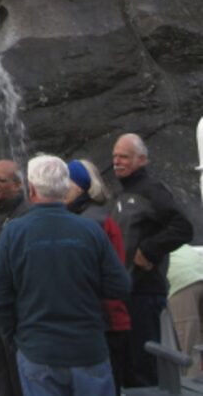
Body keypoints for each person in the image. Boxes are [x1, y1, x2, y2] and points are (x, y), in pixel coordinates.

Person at [0, 154, 130, 396]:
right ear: (65, 189)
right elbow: (120, 286)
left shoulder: (13, 234)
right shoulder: (90, 231)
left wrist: (17, 339)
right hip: (88, 350)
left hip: (37, 352)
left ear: (31, 189)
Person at [108, 132, 193, 387]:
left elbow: (182, 227)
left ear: (142, 159)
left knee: (144, 367)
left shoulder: (152, 190)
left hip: (144, 292)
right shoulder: (120, 194)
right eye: (114, 156)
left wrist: (149, 250)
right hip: (125, 292)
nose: (117, 161)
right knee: (127, 367)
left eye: (124, 156)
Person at [66, 159, 132, 395]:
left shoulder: (92, 222)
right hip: (102, 320)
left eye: (67, 182)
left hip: (105, 322)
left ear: (81, 187)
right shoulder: (97, 218)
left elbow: (112, 277)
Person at [0, 159, 30, 396]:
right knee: (1, 378)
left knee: (18, 377)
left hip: (14, 314)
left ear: (18, 184)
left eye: (0, 180)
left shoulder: (25, 215)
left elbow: (23, 262)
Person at [167, 244, 203, 375]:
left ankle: (191, 387)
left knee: (189, 346)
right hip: (200, 274)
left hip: (181, 284)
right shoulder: (175, 239)